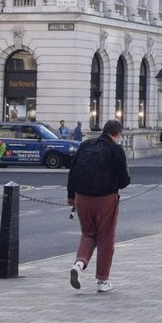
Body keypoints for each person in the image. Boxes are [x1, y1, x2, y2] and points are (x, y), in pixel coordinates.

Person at [67, 119, 130, 293]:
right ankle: (102, 280)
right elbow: (125, 181)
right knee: (105, 238)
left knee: (88, 234)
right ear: (117, 134)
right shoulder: (115, 149)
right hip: (105, 199)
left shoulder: (86, 145)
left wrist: (71, 196)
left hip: (82, 197)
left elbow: (72, 171)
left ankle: (79, 265)